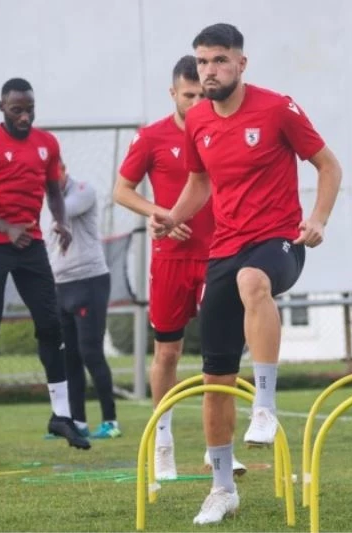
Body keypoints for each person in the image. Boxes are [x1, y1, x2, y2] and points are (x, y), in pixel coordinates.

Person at [149, 24, 342, 525]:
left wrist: (318, 219)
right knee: (214, 378)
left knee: (253, 280)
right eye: (202, 62)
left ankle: (265, 405)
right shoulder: (197, 120)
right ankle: (222, 489)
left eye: (219, 60)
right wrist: (172, 217)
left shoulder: (277, 108)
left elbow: (328, 166)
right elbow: (199, 182)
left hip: (281, 242)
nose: (209, 71)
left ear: (241, 63)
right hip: (224, 249)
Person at [113, 55, 246, 479]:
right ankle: (163, 443)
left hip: (219, 255)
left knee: (220, 356)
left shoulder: (221, 130)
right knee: (168, 352)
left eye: (201, 95)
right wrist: (160, 214)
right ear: (173, 93)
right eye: (188, 95)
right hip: (170, 259)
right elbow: (122, 190)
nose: (196, 102)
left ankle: (219, 449)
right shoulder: (151, 137)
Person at [0, 77, 90, 456]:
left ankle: (61, 416)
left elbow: (53, 192)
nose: (24, 116)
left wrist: (62, 222)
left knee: (50, 325)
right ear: (1, 107)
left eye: (29, 109)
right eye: (17, 110)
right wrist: (6, 228)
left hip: (30, 244)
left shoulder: (47, 144)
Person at [46, 159, 121, 440]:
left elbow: (64, 210)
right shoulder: (46, 199)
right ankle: (77, 421)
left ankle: (110, 421)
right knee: (69, 356)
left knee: (91, 352)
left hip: (89, 281)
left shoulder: (83, 190)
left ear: (63, 170)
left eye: (53, 173)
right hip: (61, 283)